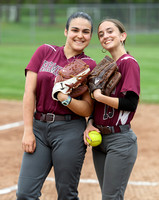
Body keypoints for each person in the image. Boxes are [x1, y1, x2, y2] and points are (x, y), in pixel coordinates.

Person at [16, 12, 96, 200]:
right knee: (25, 193)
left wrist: (64, 98)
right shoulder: (45, 51)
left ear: (90, 36)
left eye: (86, 32)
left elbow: (87, 109)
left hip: (69, 130)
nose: (80, 35)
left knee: (66, 194)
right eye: (75, 30)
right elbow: (29, 93)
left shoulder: (88, 64)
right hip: (39, 129)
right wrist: (28, 130)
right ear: (66, 31)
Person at [84, 18, 140, 200]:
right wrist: (90, 123)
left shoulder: (129, 63)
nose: (105, 36)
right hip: (99, 141)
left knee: (110, 197)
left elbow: (131, 103)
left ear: (122, 36)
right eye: (101, 34)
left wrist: (100, 96)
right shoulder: (104, 67)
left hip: (120, 141)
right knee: (109, 196)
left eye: (110, 31)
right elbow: (95, 105)